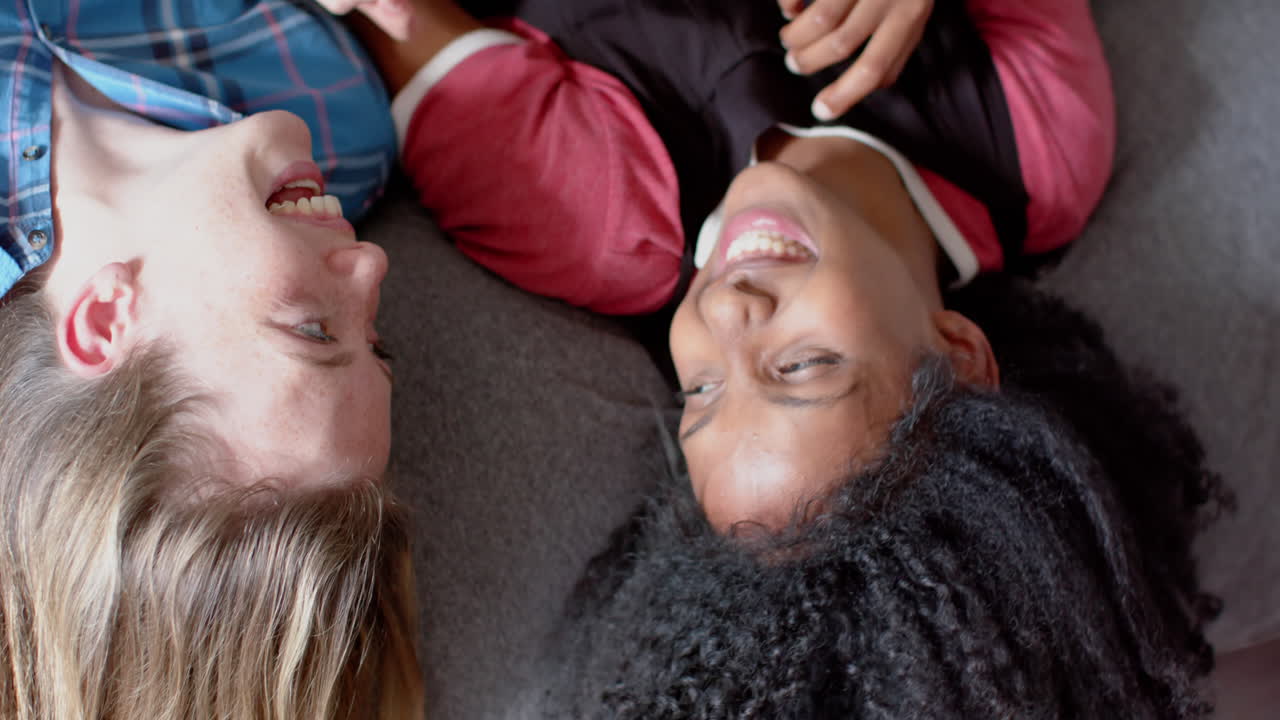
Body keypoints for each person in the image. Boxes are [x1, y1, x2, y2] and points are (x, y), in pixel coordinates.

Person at [330, 0, 1223, 715]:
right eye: (802, 367)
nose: (729, 311)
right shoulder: (1038, 143)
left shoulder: (592, 215)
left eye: (704, 389)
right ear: (958, 357)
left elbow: (394, 16)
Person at [0, 2, 421, 717]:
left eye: (314, 331)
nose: (372, 265)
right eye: (376, 343)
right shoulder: (337, 114)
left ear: (104, 322)